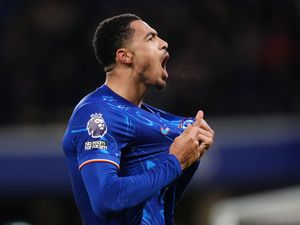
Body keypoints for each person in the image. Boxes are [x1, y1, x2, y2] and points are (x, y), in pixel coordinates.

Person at [63, 13, 214, 225]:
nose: (164, 43)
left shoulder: (153, 119)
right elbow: (106, 198)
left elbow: (155, 204)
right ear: (125, 56)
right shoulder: (96, 113)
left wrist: (191, 156)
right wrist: (176, 162)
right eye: (151, 38)